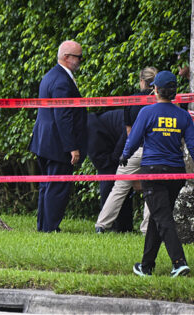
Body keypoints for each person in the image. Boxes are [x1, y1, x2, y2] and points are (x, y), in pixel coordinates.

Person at [120, 70, 194, 277]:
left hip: (153, 173)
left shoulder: (147, 112)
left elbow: (133, 140)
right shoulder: (183, 115)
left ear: (155, 90)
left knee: (162, 218)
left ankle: (179, 263)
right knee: (157, 217)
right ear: (174, 92)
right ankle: (146, 266)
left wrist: (124, 156)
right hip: (176, 174)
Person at [29, 40, 87, 232]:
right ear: (66, 57)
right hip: (57, 144)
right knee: (57, 186)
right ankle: (51, 227)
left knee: (47, 185)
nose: (81, 60)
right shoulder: (62, 81)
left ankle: (44, 225)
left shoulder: (51, 75)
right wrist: (72, 146)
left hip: (44, 141)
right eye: (78, 57)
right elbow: (63, 116)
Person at [95, 67, 157, 235]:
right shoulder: (162, 101)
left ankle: (102, 224)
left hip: (135, 150)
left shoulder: (131, 100)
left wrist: (126, 153)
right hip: (155, 152)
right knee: (151, 188)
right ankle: (146, 229)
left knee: (119, 187)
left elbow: (129, 133)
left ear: (142, 81)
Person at [87, 109, 133, 232]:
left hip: (118, 149)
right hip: (116, 149)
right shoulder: (92, 129)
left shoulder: (90, 130)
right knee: (116, 185)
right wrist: (116, 157)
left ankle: (116, 225)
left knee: (116, 185)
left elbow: (128, 133)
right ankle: (114, 225)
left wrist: (116, 157)